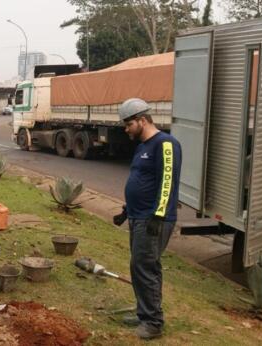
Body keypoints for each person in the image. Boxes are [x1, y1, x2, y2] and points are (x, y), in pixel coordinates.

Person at [113, 98, 182, 340]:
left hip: (153, 220)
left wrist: (159, 215)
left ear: (143, 120)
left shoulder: (165, 144)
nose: (126, 128)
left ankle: (153, 322)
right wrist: (125, 211)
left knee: (146, 267)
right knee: (138, 265)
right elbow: (142, 182)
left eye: (129, 123)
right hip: (138, 216)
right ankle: (144, 313)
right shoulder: (142, 146)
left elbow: (167, 182)